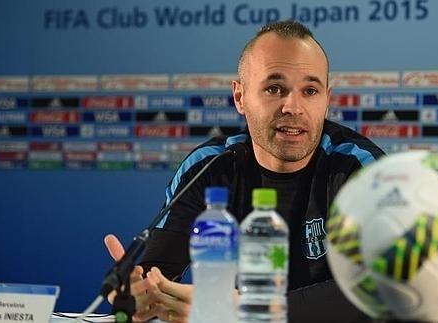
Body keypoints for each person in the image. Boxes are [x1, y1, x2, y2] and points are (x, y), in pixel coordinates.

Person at [105, 20, 385, 323]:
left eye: (310, 90)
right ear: (240, 96)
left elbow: (382, 287)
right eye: (274, 88)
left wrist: (249, 311)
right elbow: (157, 274)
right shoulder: (209, 167)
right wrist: (141, 294)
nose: (293, 106)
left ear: (327, 100)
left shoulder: (361, 170)